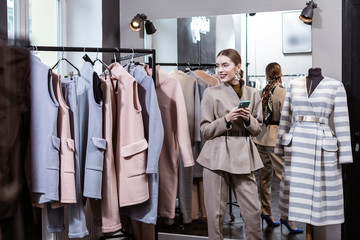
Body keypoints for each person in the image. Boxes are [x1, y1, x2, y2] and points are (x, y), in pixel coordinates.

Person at [196, 48, 263, 240]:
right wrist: (225, 119)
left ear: (238, 67)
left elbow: (258, 129)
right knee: (215, 215)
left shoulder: (253, 93)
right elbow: (205, 131)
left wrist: (249, 119)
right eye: (218, 66)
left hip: (244, 154)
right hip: (216, 155)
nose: (220, 70)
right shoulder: (210, 93)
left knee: (253, 211)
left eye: (225, 65)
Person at [253, 63, 303, 234]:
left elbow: (257, 116)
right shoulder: (283, 92)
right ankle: (287, 217)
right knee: (284, 179)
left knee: (264, 178)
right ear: (281, 75)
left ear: (266, 75)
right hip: (276, 140)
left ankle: (266, 212)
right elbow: (288, 118)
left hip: (260, 138)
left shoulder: (261, 93)